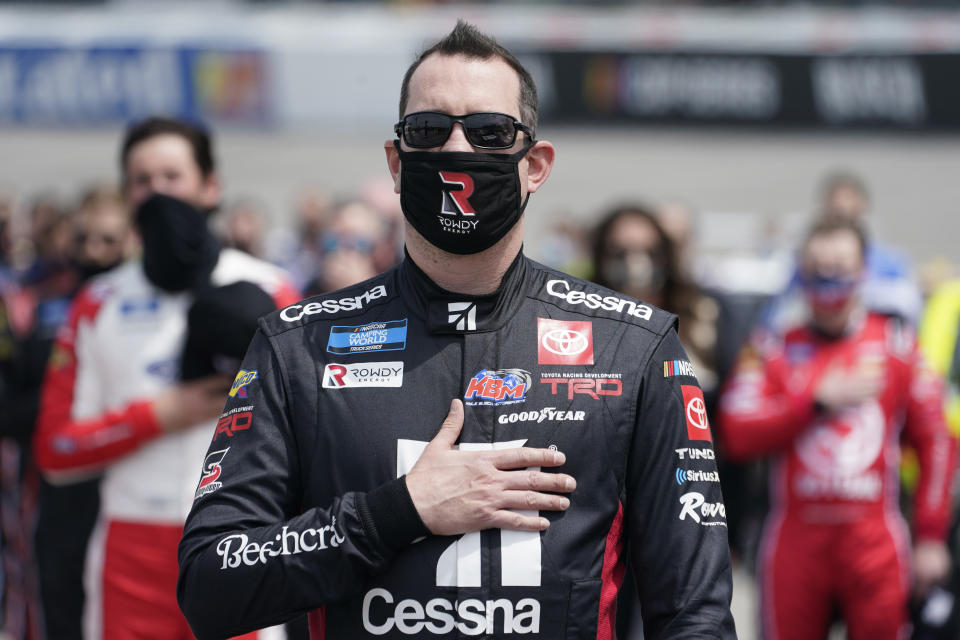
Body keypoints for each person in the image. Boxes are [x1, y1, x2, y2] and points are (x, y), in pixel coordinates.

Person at [178, 21, 736, 640]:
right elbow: (209, 584)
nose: (455, 150)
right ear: (396, 162)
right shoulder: (296, 347)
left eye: (490, 131)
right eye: (428, 130)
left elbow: (696, 616)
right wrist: (399, 511)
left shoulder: (635, 346)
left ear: (535, 165)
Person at [32, 117, 300, 640]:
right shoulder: (98, 302)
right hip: (130, 552)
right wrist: (157, 416)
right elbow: (55, 449)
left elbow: (313, 431)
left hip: (240, 544)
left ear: (210, 187)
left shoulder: (272, 288)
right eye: (142, 180)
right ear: (126, 194)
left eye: (171, 177)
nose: (157, 192)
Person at [718, 216, 955, 640]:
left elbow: (937, 440)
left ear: (864, 270)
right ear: (801, 272)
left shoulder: (896, 344)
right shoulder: (772, 346)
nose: (829, 279)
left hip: (876, 539)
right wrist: (815, 403)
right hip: (794, 541)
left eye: (841, 267)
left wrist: (932, 535)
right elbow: (735, 431)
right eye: (817, 268)